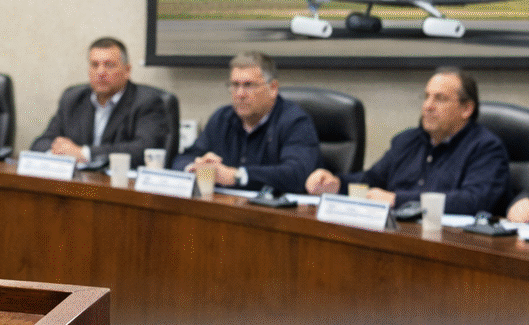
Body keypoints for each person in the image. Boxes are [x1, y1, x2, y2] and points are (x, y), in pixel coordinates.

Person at [306, 67, 509, 214]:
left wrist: (397, 200)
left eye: (440, 99)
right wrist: (336, 184)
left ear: (467, 109)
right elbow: (370, 181)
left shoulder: (486, 148)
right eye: (426, 97)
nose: (428, 106)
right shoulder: (407, 141)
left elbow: (473, 201)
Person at [173, 51, 320, 192]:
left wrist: (237, 176)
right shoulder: (221, 118)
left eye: (249, 85)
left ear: (273, 88)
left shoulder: (295, 121)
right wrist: (195, 167)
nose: (240, 94)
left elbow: (296, 174)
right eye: (235, 85)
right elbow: (182, 159)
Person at [30, 37, 169, 168]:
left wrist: (84, 153)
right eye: (94, 65)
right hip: (78, 183)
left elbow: (144, 150)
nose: (101, 72)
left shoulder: (147, 102)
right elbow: (40, 144)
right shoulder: (72, 98)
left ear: (127, 70)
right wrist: (60, 152)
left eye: (109, 65)